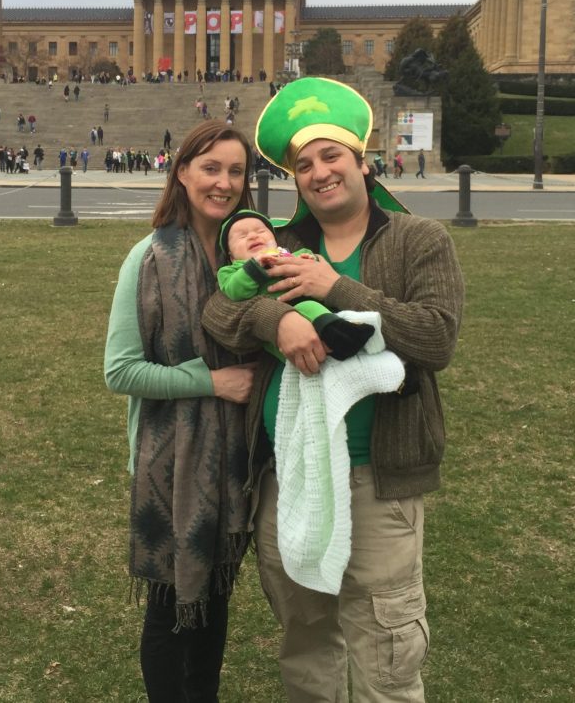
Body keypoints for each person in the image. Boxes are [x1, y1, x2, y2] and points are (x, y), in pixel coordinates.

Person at [202, 77, 464, 702]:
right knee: (307, 643)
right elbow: (220, 310)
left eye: (331, 156)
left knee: (385, 656)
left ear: (362, 162)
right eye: (304, 165)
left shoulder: (418, 239)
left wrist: (334, 289)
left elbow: (436, 338)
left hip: (377, 481)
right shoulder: (283, 243)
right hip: (290, 477)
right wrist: (279, 320)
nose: (319, 173)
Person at [104, 121, 259, 702]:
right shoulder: (149, 257)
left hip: (235, 462)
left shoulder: (251, 256)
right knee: (169, 613)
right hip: (171, 467)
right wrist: (211, 382)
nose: (224, 183)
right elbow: (121, 371)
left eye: (236, 171)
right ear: (183, 172)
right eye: (211, 168)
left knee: (215, 603)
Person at [217, 209, 374, 361]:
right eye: (242, 236)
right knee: (307, 309)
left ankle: (343, 335)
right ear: (231, 256)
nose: (253, 236)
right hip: (279, 332)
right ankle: (340, 341)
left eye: (261, 231)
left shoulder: (286, 255)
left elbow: (313, 266)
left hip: (309, 306)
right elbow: (234, 290)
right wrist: (253, 267)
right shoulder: (230, 271)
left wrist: (309, 259)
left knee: (311, 306)